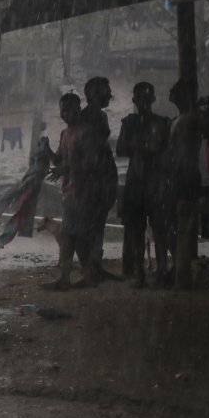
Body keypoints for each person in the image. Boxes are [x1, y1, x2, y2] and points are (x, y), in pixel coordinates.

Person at [115, 82, 172, 288]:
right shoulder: (137, 123)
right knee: (142, 230)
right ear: (135, 101)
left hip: (148, 181)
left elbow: (123, 148)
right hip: (143, 181)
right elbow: (121, 149)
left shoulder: (144, 123)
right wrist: (144, 145)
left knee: (153, 230)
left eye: (146, 99)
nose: (144, 103)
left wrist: (141, 146)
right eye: (141, 99)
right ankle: (148, 273)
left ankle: (154, 274)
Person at [45, 93, 96, 290]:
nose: (65, 114)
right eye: (62, 110)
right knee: (72, 235)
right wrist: (46, 149)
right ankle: (73, 276)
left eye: (68, 110)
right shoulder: (65, 134)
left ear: (78, 109)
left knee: (75, 235)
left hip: (84, 192)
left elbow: (90, 163)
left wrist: (65, 169)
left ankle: (75, 276)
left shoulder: (86, 133)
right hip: (69, 192)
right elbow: (58, 161)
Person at [164, 78, 205, 289]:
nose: (171, 91)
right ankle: (179, 268)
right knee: (177, 224)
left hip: (183, 176)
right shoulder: (184, 119)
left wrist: (173, 173)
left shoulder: (186, 120)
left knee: (178, 223)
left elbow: (182, 154)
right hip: (184, 175)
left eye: (176, 90)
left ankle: (181, 271)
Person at [80, 77, 119, 281]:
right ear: (96, 94)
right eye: (107, 91)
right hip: (95, 178)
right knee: (94, 223)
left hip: (98, 177)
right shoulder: (91, 118)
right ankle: (91, 267)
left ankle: (93, 266)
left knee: (96, 223)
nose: (110, 95)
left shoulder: (94, 117)